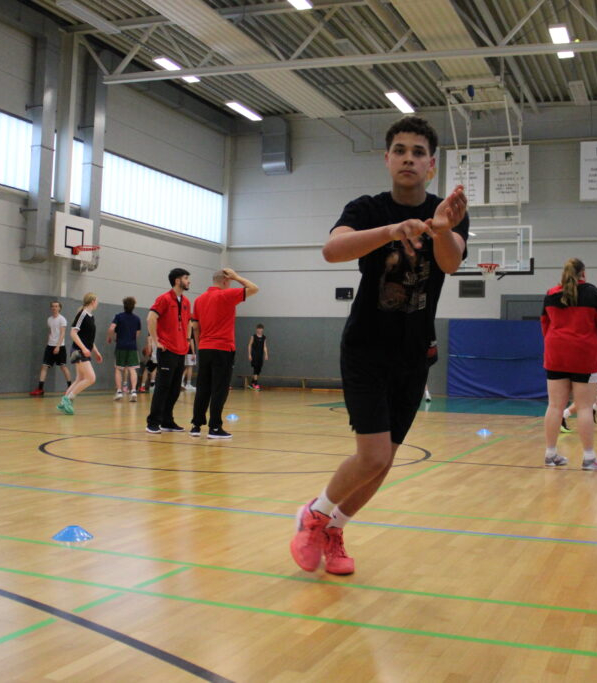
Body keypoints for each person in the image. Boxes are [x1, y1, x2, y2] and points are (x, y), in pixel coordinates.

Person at [290, 115, 468, 576]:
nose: (409, 158)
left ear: (431, 164)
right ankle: (314, 515)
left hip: (415, 352)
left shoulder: (445, 211)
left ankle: (335, 529)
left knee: (384, 461)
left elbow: (450, 263)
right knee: (372, 454)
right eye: (400, 151)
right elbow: (333, 250)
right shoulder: (366, 209)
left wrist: (441, 228)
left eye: (418, 152)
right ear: (387, 159)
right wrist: (391, 232)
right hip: (367, 347)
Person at [541, 258, 597, 470]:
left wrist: (555, 344)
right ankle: (589, 458)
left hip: (556, 354)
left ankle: (550, 454)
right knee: (584, 407)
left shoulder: (551, 294)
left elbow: (545, 324)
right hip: (585, 355)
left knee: (554, 406)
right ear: (584, 273)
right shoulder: (595, 294)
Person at [191, 268, 259, 438]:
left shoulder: (199, 300)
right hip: (222, 349)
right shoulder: (226, 295)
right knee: (219, 389)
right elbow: (254, 288)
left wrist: (200, 346)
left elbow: (195, 327)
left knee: (203, 388)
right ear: (225, 280)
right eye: (230, 281)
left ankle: (196, 426)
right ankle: (215, 428)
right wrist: (237, 277)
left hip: (204, 348)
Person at [145, 269, 194, 434]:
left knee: (175, 389)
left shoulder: (186, 301)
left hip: (181, 350)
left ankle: (167, 421)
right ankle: (153, 422)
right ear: (177, 280)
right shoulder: (164, 298)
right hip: (167, 350)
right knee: (162, 387)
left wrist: (187, 340)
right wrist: (156, 341)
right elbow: (151, 318)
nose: (189, 281)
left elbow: (188, 322)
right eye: (186, 278)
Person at [58, 293, 102, 415]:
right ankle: (69, 399)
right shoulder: (82, 314)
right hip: (78, 351)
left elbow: (89, 339)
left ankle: (63, 401)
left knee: (80, 379)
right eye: (97, 300)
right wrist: (83, 348)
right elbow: (73, 333)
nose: (97, 303)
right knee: (91, 378)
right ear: (92, 301)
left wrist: (96, 352)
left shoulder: (91, 317)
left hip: (83, 351)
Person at [30, 301, 72, 396]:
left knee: (63, 367)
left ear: (59, 308)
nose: (54, 308)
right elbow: (50, 332)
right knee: (44, 366)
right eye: (53, 306)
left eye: (56, 306)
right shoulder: (49, 319)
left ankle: (70, 388)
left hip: (60, 346)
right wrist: (49, 343)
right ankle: (40, 389)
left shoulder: (62, 319)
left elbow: (62, 333)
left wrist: (57, 346)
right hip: (50, 346)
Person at [108, 297, 142, 402]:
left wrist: (111, 337)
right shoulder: (137, 319)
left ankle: (119, 392)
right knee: (132, 369)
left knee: (118, 369)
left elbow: (111, 328)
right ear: (133, 306)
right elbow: (137, 334)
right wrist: (131, 339)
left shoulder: (118, 316)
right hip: (132, 347)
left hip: (121, 346)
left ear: (124, 305)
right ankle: (133, 391)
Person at [248, 324, 268, 390]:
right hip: (254, 355)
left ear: (262, 329)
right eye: (259, 329)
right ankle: (256, 384)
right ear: (256, 329)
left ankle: (252, 383)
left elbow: (264, 346)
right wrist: (249, 354)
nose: (260, 330)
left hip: (260, 355)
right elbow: (249, 345)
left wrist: (266, 354)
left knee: (259, 369)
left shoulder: (264, 337)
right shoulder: (253, 337)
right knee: (255, 368)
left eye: (261, 329)